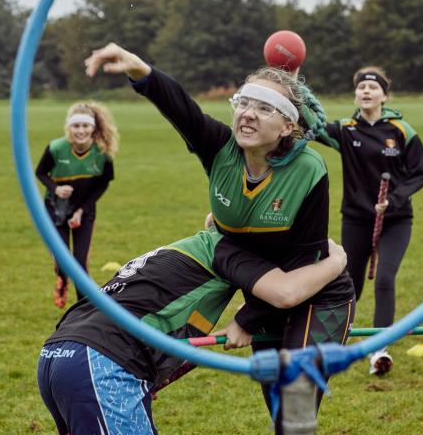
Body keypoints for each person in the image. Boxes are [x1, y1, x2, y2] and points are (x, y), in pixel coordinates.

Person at [84, 43, 355, 425]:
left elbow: (301, 262)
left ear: (288, 126)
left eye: (265, 108)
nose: (248, 114)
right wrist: (141, 71)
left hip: (317, 294)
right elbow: (182, 109)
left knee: (295, 402)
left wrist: (247, 319)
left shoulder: (309, 168)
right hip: (265, 290)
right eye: (245, 103)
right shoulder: (221, 148)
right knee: (281, 409)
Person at [37, 229, 348, 435]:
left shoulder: (185, 251)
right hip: (100, 363)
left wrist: (247, 317)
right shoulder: (229, 250)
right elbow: (287, 289)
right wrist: (336, 262)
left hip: (58, 356)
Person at [322, 66, 423, 376]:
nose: (366, 91)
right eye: (361, 87)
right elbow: (310, 127)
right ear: (355, 94)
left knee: (384, 279)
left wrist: (392, 200)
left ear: (384, 94)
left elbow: (419, 174)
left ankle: (379, 350)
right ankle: (339, 344)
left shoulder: (402, 130)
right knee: (349, 284)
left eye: (373, 87)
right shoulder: (345, 129)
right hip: (355, 220)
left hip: (395, 220)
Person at [35, 102, 117, 308]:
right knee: (63, 262)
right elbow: (40, 173)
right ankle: (62, 281)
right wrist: (56, 189)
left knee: (79, 264)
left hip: (85, 210)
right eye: (76, 126)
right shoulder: (56, 148)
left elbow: (103, 184)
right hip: (56, 210)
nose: (80, 131)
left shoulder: (102, 153)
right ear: (68, 128)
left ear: (93, 128)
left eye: (85, 126)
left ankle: (83, 309)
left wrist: (81, 211)